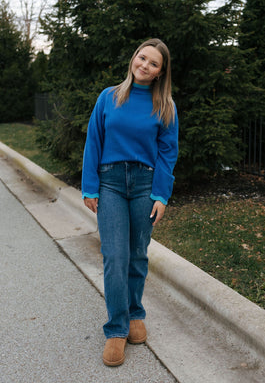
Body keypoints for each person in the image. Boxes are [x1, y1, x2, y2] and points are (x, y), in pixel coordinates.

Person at [82, 38, 178, 367]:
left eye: (153, 64)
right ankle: (116, 328)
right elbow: (94, 140)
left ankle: (136, 312)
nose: (144, 65)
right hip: (109, 182)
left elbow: (168, 152)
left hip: (144, 184)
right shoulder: (109, 97)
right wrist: (89, 187)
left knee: (137, 254)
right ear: (134, 58)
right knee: (115, 255)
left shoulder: (164, 105)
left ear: (160, 73)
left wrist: (161, 194)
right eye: (142, 58)